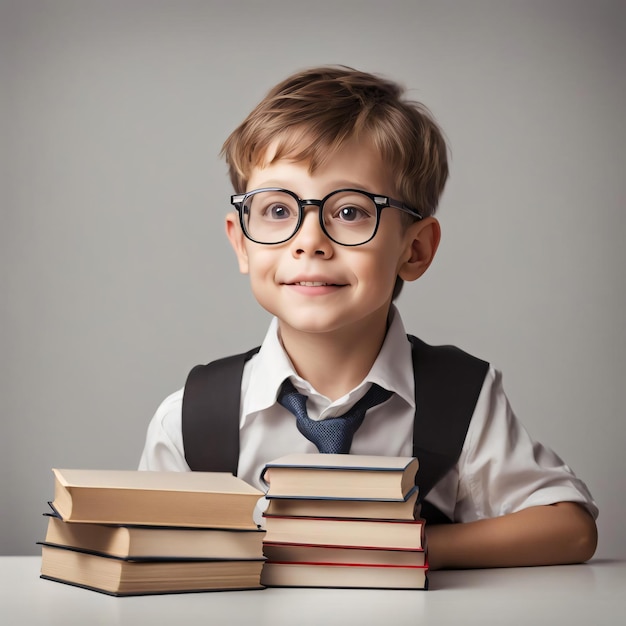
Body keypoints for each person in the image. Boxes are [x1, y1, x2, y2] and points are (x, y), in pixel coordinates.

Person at [139, 65, 598, 570]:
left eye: (351, 211)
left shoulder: (461, 397)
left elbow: (570, 529)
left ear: (416, 249)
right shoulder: (191, 417)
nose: (309, 241)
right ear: (241, 241)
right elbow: (151, 562)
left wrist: (392, 550)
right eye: (276, 211)